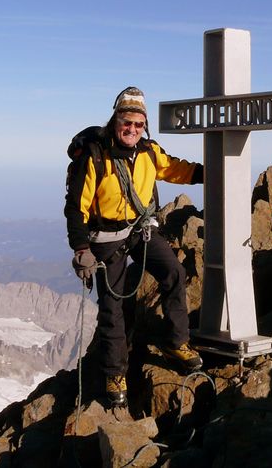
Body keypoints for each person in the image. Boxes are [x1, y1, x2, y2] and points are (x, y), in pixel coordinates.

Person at [65, 86, 204, 406]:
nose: (131, 129)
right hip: (104, 237)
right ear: (116, 120)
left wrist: (211, 172)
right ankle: (115, 372)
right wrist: (81, 249)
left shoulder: (148, 151)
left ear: (145, 126)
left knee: (173, 272)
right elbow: (76, 207)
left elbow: (175, 168)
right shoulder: (95, 156)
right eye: (126, 122)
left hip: (140, 230)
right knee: (114, 305)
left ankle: (176, 342)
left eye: (138, 124)